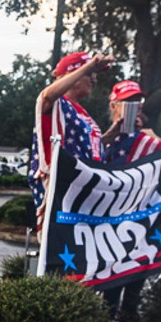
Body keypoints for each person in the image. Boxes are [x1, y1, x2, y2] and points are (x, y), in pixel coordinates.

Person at [100, 80, 161, 322]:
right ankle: (107, 315)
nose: (133, 108)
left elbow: (157, 174)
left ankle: (129, 311)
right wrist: (112, 134)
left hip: (144, 213)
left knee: (141, 262)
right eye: (127, 102)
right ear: (114, 105)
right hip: (113, 212)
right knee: (116, 264)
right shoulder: (104, 137)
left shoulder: (149, 140)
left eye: (136, 102)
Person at [29, 50, 115, 230]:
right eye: (89, 74)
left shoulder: (82, 113)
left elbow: (92, 150)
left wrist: (116, 131)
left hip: (85, 200)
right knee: (59, 256)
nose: (94, 79)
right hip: (62, 199)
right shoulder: (56, 104)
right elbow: (46, 97)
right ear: (72, 75)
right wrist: (90, 64)